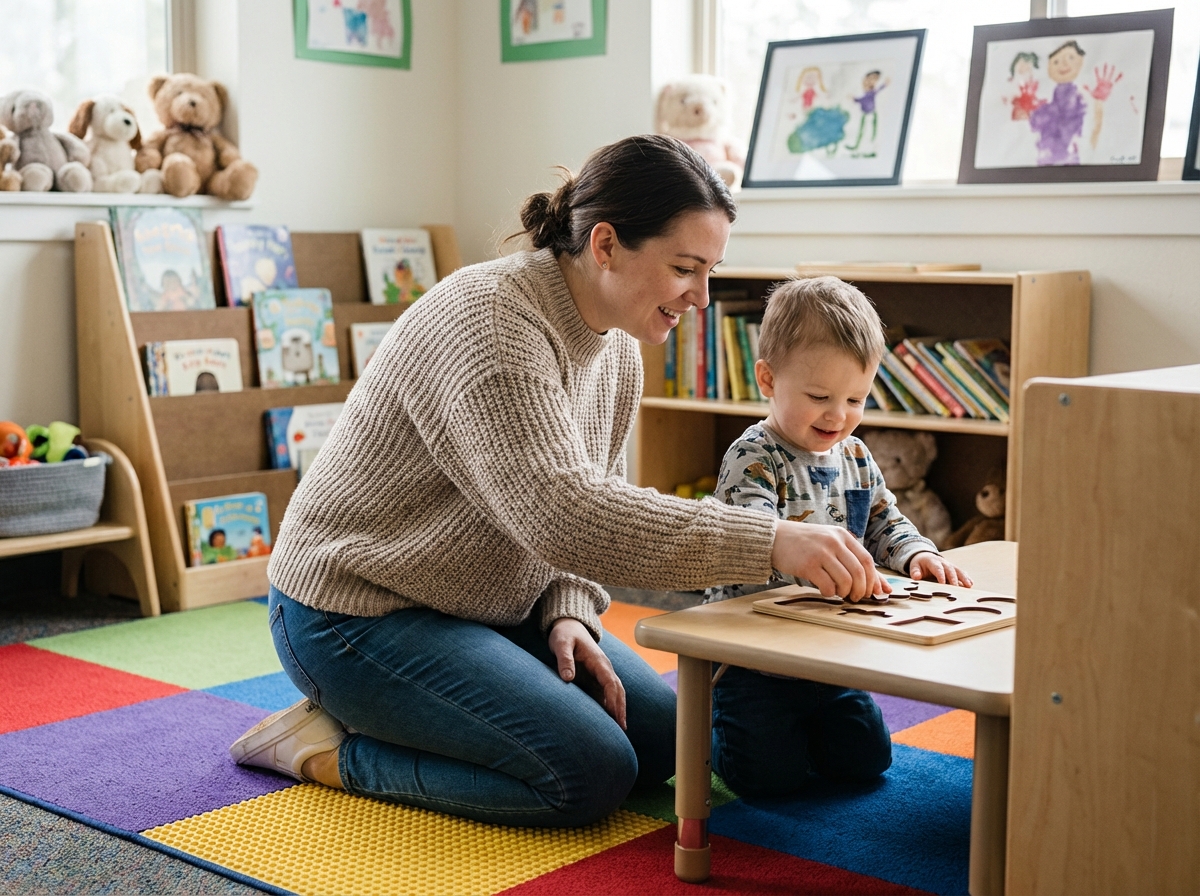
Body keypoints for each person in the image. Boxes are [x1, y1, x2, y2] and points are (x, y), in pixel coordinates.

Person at [229, 135, 887, 828]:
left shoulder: (618, 353)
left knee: (672, 741)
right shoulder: (490, 323)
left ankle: (432, 710)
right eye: (686, 269)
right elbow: (563, 513)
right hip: (355, 610)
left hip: (485, 604)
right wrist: (771, 540)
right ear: (605, 245)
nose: (701, 297)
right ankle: (329, 749)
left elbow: (583, 497)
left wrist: (569, 607)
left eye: (710, 270)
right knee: (587, 774)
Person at [705, 276, 972, 798]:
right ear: (767, 378)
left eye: (856, 398)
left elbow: (883, 521)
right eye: (819, 396)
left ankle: (800, 732)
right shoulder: (753, 457)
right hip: (752, 656)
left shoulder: (854, 455)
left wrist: (915, 552)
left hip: (829, 651)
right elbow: (750, 542)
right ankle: (701, 725)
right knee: (767, 782)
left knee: (865, 761)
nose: (838, 415)